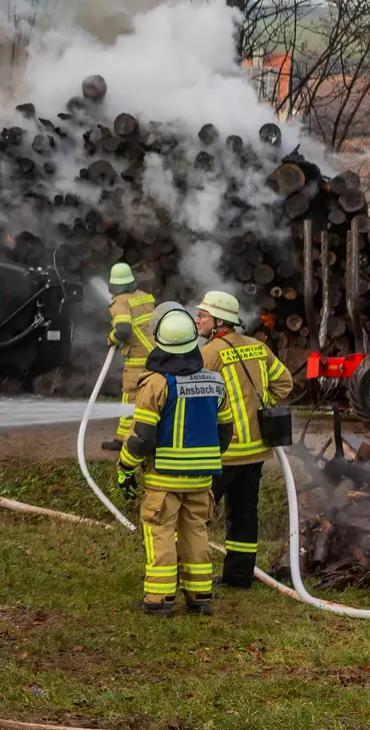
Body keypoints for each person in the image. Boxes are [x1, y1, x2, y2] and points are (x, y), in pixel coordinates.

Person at [115, 307, 234, 616]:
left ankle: (159, 600)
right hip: (202, 479)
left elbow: (141, 436)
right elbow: (225, 431)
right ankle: (199, 597)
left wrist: (125, 468)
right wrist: (204, 459)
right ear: (195, 341)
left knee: (161, 532)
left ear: (160, 344)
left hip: (164, 479)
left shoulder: (156, 383)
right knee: (196, 532)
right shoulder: (215, 382)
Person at [194, 289, 295, 589]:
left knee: (196, 515)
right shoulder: (258, 348)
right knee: (244, 515)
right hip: (255, 453)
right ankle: (239, 578)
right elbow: (285, 383)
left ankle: (188, 576)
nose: (197, 319)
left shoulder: (208, 354)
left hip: (222, 453)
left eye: (203, 315)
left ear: (219, 321)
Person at [101, 262, 156, 452]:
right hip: (157, 355)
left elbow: (123, 330)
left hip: (138, 360)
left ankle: (123, 439)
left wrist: (111, 339)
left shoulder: (120, 302)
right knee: (154, 397)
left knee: (130, 397)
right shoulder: (144, 297)